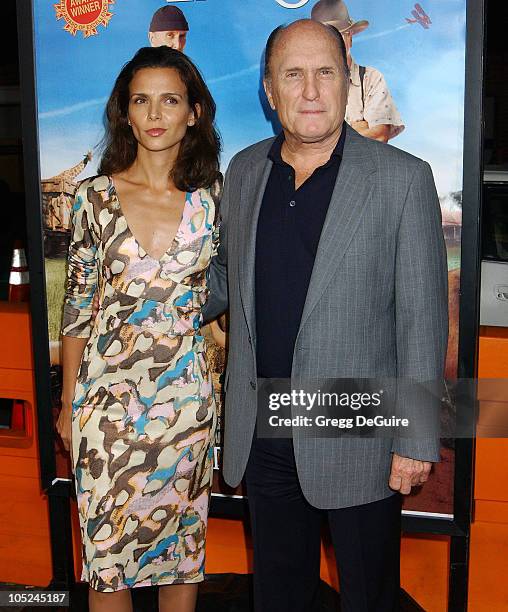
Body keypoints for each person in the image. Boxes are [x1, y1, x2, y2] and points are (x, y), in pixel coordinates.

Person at [203, 19, 447, 612]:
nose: (310, 90)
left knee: (368, 596)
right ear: (269, 89)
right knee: (278, 593)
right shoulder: (244, 171)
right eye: (293, 74)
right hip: (265, 429)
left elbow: (422, 316)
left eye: (325, 73)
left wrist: (414, 437)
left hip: (359, 429)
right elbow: (220, 282)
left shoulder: (402, 178)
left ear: (347, 81)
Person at [56, 46, 221, 612]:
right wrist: (67, 404)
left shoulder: (216, 199)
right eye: (141, 100)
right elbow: (77, 307)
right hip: (106, 408)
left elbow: (228, 298)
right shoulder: (93, 199)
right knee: (107, 566)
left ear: (194, 112)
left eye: (170, 100)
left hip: (188, 405)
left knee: (183, 550)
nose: (155, 114)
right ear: (124, 114)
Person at [312, 0, 405, 142]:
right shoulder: (308, 83)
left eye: (339, 36)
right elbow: (307, 141)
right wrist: (359, 129)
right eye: (326, 38)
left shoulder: (370, 78)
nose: (333, 44)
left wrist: (331, 136)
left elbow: (379, 136)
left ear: (349, 37)